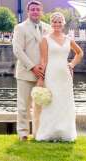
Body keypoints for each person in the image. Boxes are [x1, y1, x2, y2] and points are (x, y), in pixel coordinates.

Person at [35, 12, 83, 142]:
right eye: (54, 22)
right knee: (52, 103)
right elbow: (43, 61)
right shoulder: (45, 39)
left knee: (65, 103)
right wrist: (41, 78)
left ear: (63, 23)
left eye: (59, 22)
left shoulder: (68, 39)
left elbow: (79, 53)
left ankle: (65, 133)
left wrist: (72, 64)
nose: (57, 24)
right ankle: (49, 133)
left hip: (65, 75)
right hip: (51, 74)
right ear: (51, 23)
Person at [12, 0, 51, 141]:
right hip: (26, 73)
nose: (35, 12)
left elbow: (51, 50)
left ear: (41, 11)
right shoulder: (20, 28)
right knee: (23, 106)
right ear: (28, 12)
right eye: (32, 9)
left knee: (40, 106)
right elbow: (18, 50)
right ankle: (23, 134)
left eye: (37, 9)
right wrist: (33, 67)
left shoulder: (48, 28)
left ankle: (38, 133)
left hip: (43, 74)